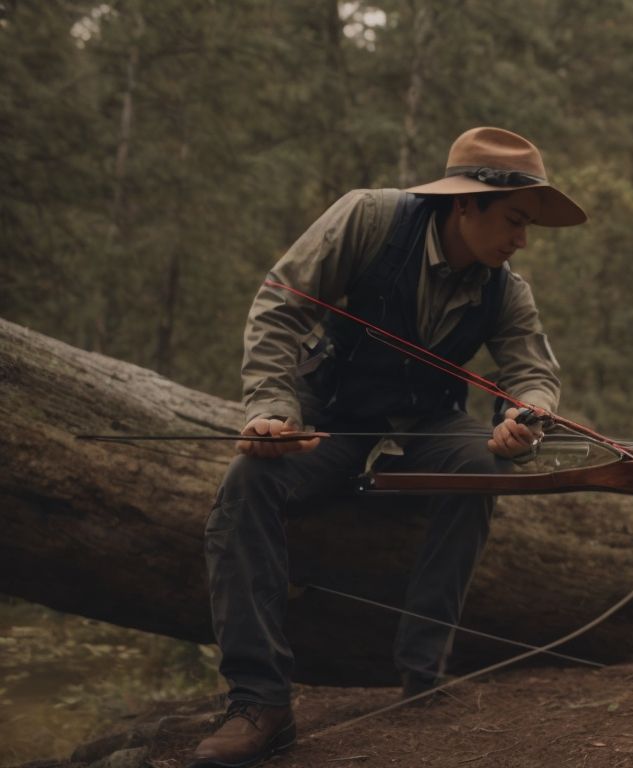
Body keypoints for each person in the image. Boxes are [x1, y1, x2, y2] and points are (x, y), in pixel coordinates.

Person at [190, 127, 585, 768]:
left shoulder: (506, 287)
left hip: (430, 423)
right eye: (514, 220)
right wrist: (270, 410)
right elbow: (278, 307)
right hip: (330, 415)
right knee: (246, 484)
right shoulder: (368, 217)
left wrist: (526, 418)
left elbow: (533, 374)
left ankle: (422, 674)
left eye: (528, 226)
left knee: (485, 466)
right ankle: (259, 702)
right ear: (465, 203)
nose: (521, 240)